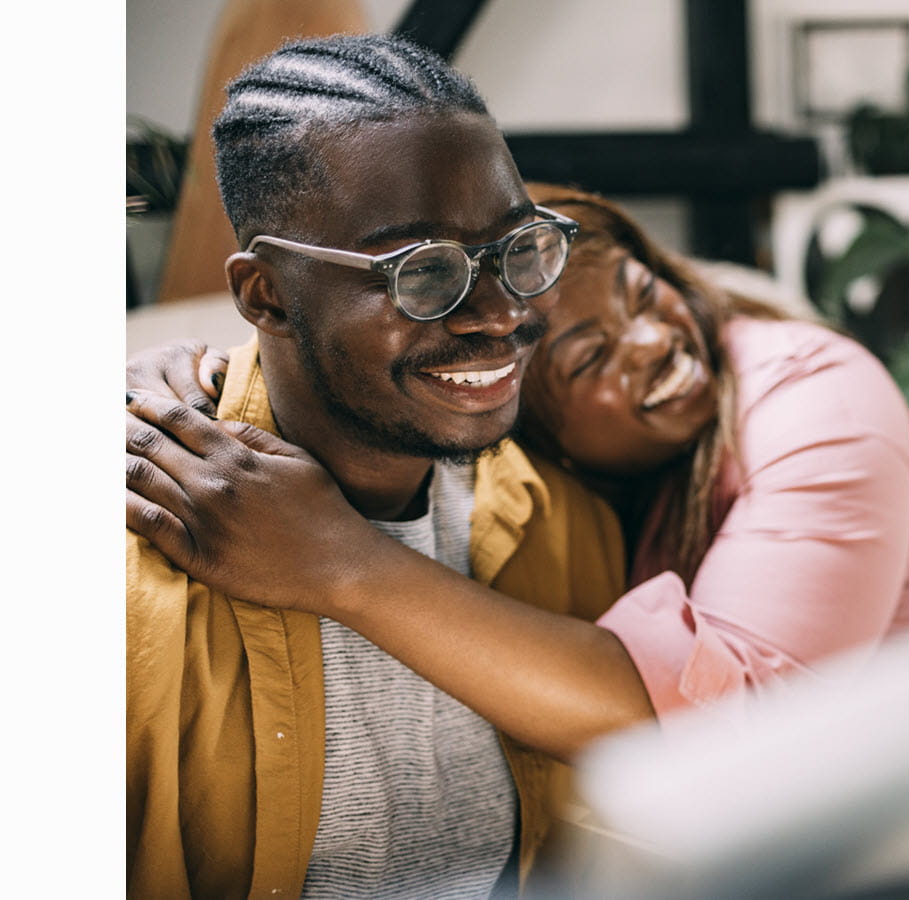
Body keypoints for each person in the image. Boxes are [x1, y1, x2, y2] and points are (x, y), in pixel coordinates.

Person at [128, 191, 909, 731]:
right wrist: (182, 372)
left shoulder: (813, 386)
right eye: (592, 360)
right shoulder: (544, 491)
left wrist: (338, 562)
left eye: (643, 290)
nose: (655, 338)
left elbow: (740, 713)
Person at [123, 34, 638, 899]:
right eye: (422, 271)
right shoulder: (130, 572)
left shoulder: (561, 521)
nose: (495, 315)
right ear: (265, 295)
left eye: (519, 248)